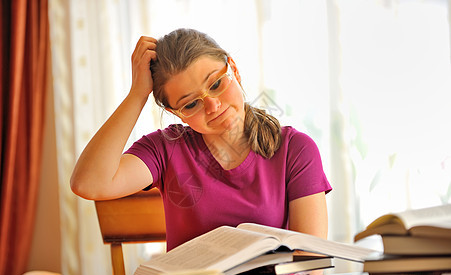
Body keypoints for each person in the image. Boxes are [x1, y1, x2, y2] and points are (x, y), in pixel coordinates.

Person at [70, 28, 332, 251]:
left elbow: (311, 262)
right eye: (192, 103)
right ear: (176, 113)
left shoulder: (295, 150)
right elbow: (89, 183)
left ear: (234, 70)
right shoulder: (165, 148)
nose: (213, 106)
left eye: (216, 84)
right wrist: (137, 94)